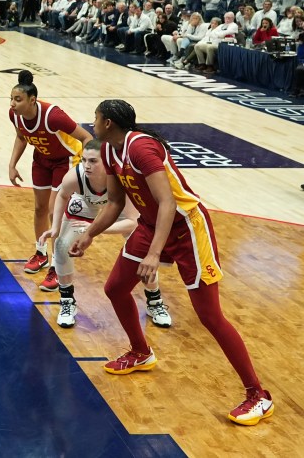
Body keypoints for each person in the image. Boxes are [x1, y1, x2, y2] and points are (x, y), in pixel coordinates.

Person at [72, 100, 273, 426]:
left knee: (210, 316)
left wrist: (153, 253)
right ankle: (140, 352)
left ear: (107, 122)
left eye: (95, 117)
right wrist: (92, 233)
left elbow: (167, 203)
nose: (91, 121)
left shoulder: (141, 149)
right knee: (115, 289)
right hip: (152, 227)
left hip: (187, 229)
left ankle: (258, 395)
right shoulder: (110, 150)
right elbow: (114, 202)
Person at [38, 139, 172, 329]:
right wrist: (55, 228)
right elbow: (62, 195)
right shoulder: (75, 176)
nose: (86, 165)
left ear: (107, 162)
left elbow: (133, 222)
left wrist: (94, 230)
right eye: (84, 160)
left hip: (117, 208)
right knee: (61, 246)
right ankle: (67, 301)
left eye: (93, 161)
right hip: (85, 202)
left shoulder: (121, 178)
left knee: (143, 248)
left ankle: (154, 301)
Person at [7, 70, 92, 291]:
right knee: (39, 208)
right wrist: (12, 164)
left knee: (55, 212)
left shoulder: (53, 116)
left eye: (18, 99)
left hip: (65, 160)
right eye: (11, 99)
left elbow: (86, 137)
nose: (13, 103)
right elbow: (20, 137)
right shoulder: (14, 114)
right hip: (42, 160)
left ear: (32, 100)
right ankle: (41, 253)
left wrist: (86, 168)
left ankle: (57, 265)